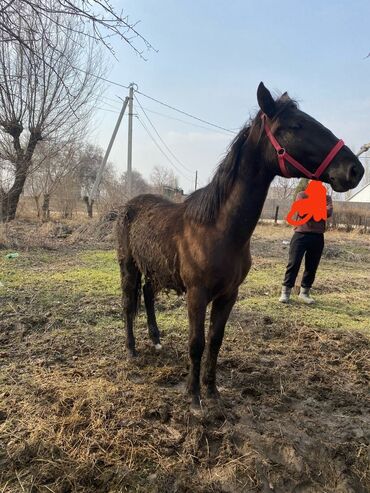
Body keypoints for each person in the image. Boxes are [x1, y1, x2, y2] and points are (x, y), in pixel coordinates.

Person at [279, 181, 333, 304]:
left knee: (312, 266)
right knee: (293, 263)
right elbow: (302, 212)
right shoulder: (302, 195)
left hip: (318, 236)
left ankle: (304, 293)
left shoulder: (327, 197)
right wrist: (320, 209)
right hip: (300, 235)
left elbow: (328, 212)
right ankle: (285, 292)